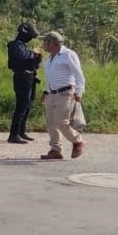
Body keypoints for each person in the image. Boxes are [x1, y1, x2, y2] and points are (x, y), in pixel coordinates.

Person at [38, 31, 85, 160]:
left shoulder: (68, 55)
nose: (43, 45)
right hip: (52, 93)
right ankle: (55, 149)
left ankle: (77, 141)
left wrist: (79, 91)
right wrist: (46, 92)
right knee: (51, 122)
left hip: (66, 92)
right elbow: (50, 78)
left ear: (52, 43)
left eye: (45, 42)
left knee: (61, 121)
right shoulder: (49, 59)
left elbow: (78, 74)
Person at [6, 22, 42, 144]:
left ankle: (21, 131)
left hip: (30, 78)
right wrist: (34, 53)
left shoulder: (23, 46)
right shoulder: (16, 45)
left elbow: (34, 62)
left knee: (28, 105)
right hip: (22, 78)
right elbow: (22, 57)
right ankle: (14, 134)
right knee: (21, 106)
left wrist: (37, 57)